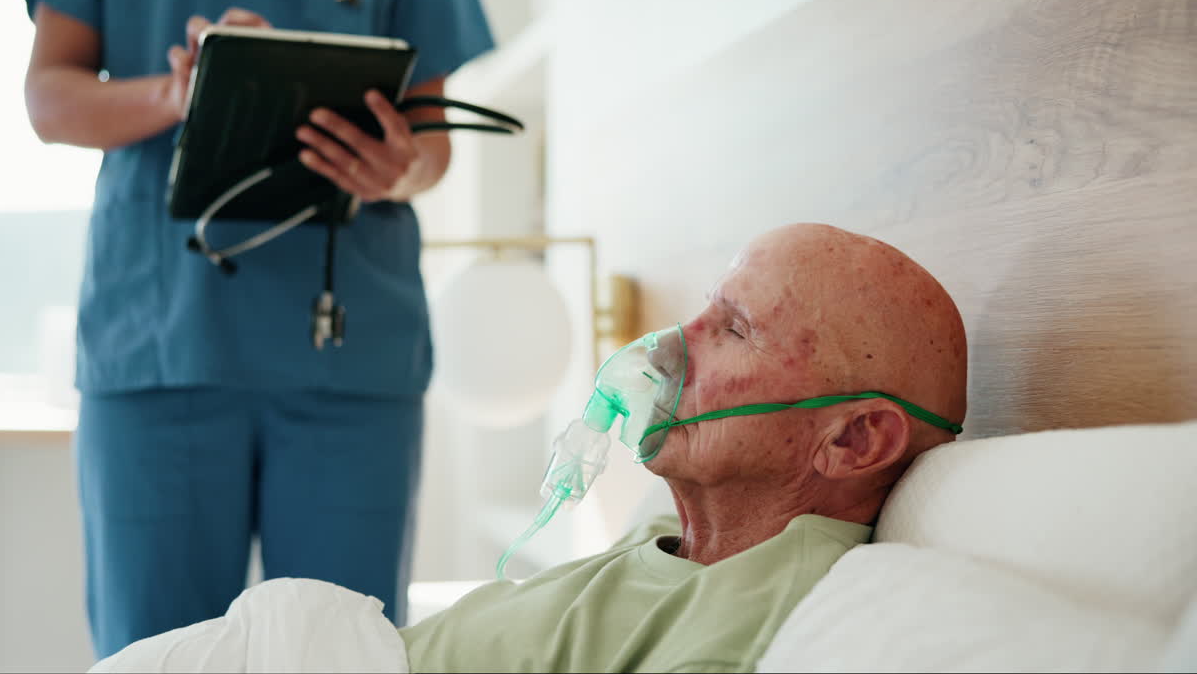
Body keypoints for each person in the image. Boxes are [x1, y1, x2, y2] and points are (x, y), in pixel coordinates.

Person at [91, 223, 970, 673]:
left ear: (853, 438)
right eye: (701, 307)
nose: (672, 342)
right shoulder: (685, 531)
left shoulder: (741, 618)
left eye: (731, 329)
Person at [0, 0, 494, 659]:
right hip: (160, 343)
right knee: (155, 655)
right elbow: (49, 99)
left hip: (351, 354)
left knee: (343, 654)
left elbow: (431, 142)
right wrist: (177, 96)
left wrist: (396, 168)